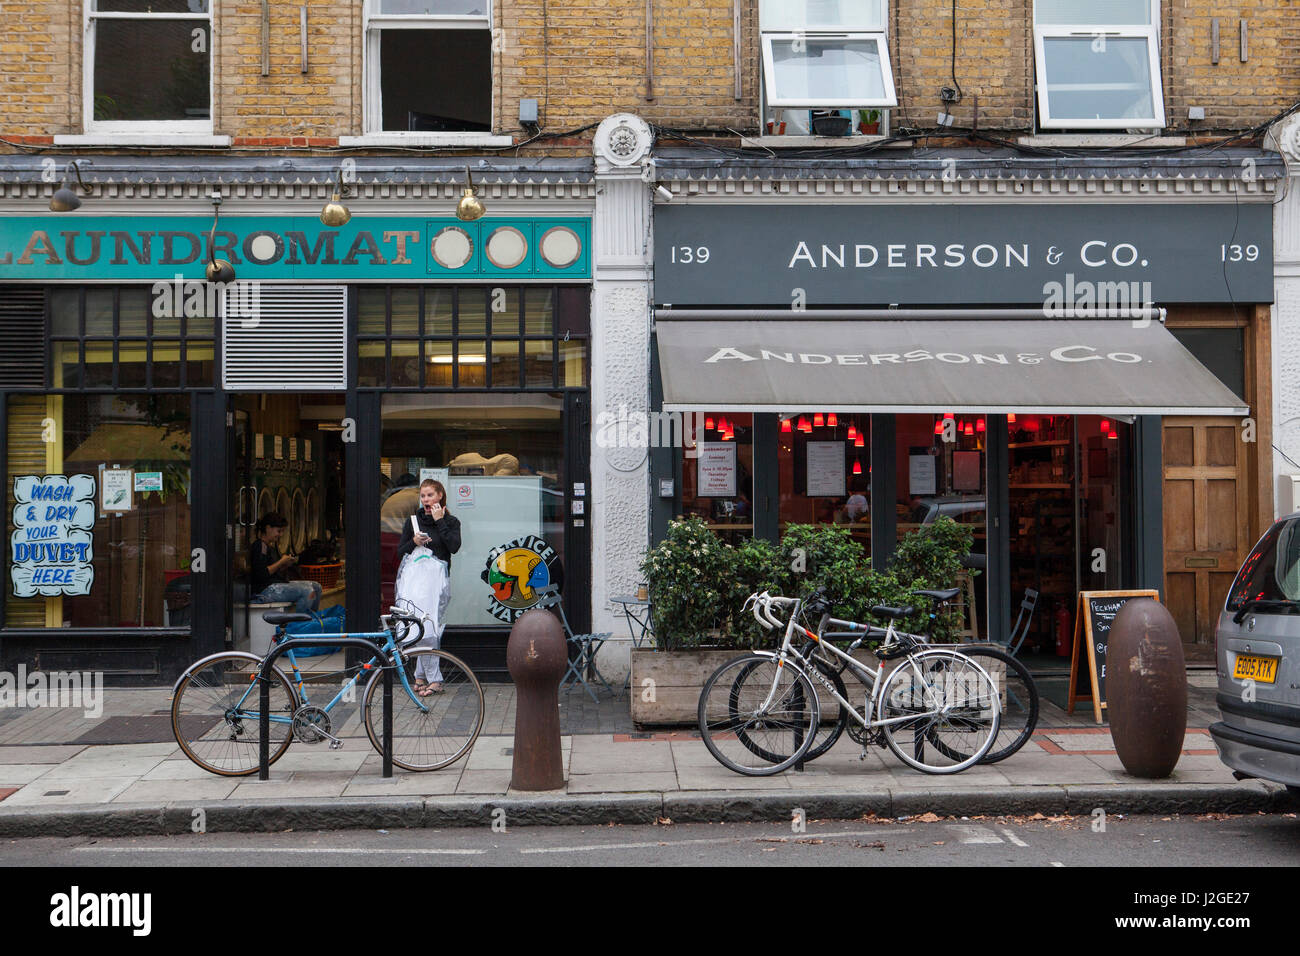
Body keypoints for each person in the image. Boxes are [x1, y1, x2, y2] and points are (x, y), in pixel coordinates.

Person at [395, 479, 462, 695]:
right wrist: (414, 541)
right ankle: (429, 678)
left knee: (430, 627)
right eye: (423, 496)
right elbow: (400, 552)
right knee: (418, 628)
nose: (425, 499)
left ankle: (423, 676)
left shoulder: (451, 521)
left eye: (430, 495)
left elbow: (454, 547)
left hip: (437, 582)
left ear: (440, 496)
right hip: (414, 582)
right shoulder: (412, 521)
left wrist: (439, 521)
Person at [250, 512, 322, 614]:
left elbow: (273, 571)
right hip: (264, 590)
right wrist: (281, 561)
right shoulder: (260, 546)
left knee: (316, 587)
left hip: (274, 585)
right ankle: (299, 627)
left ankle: (311, 622)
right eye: (279, 531)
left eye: (282, 531)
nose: (280, 535)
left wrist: (285, 565)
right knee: (307, 590)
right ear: (268, 528)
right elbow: (261, 574)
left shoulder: (270, 547)